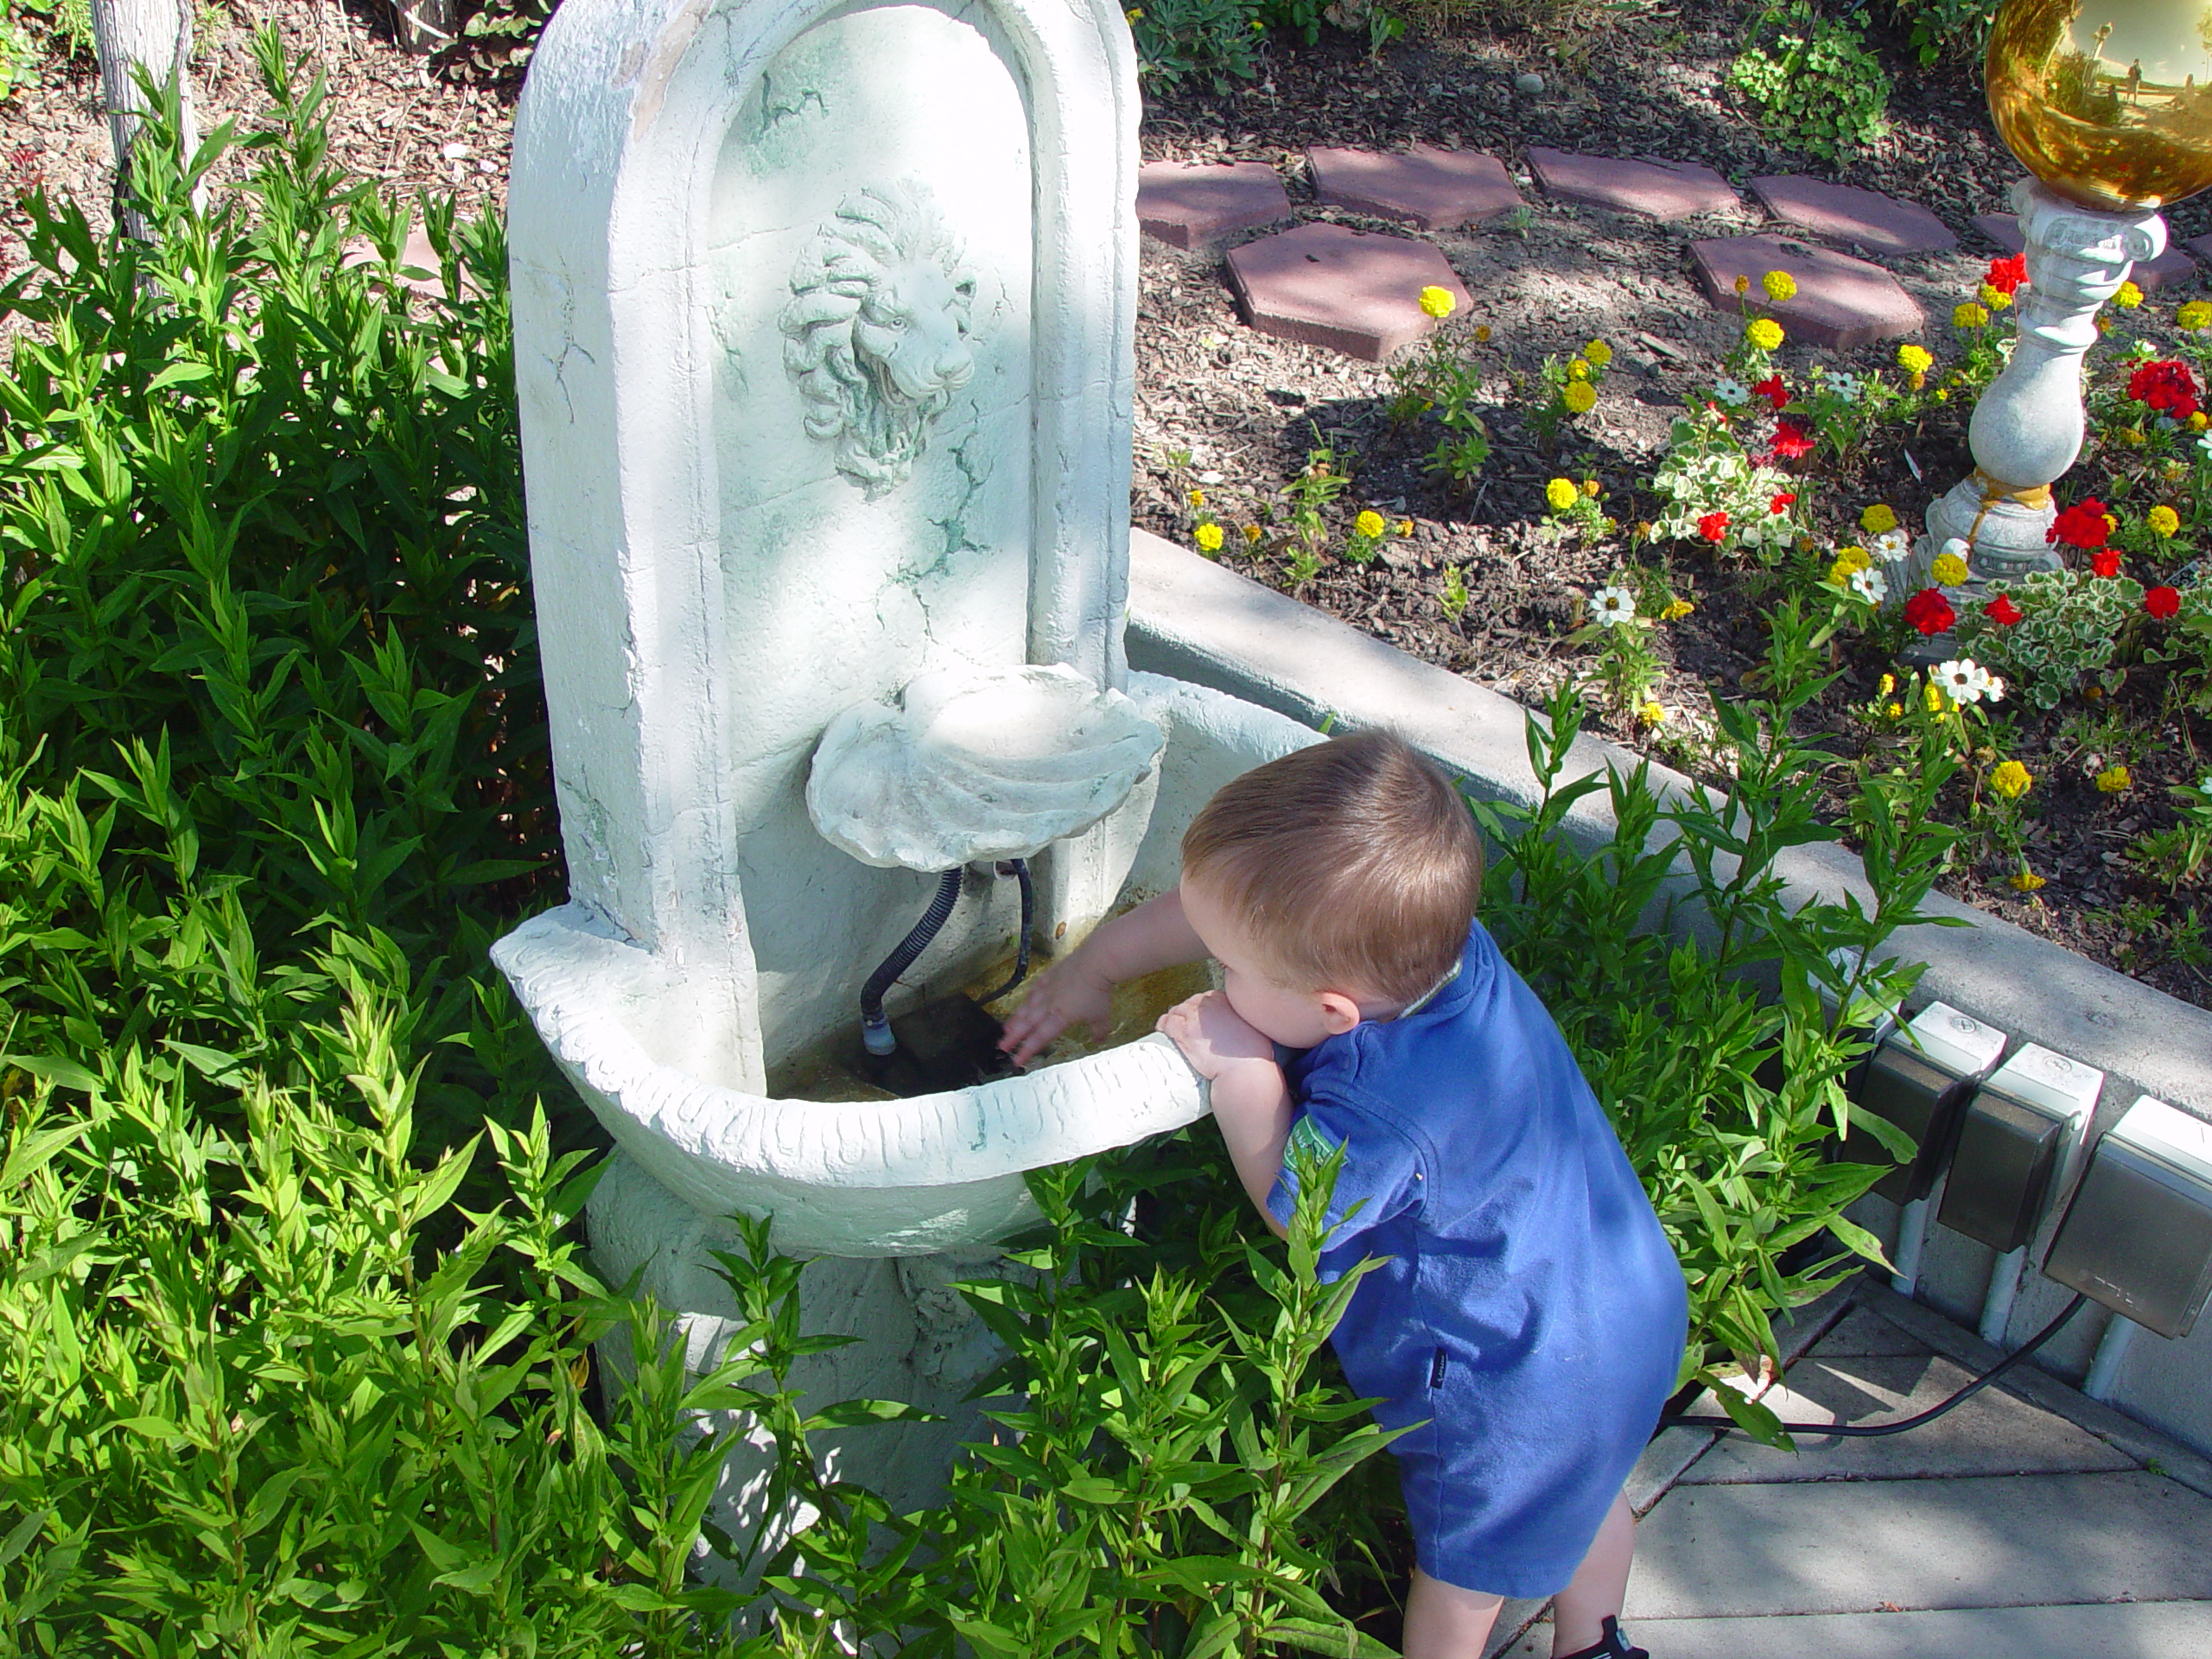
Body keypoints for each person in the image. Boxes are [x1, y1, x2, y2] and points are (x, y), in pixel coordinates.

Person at [1000, 729, 1687, 1659]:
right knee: (1583, 1492)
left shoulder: (1379, 1106)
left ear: (1331, 1015)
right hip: (1625, 1307)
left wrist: (1244, 1078)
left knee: (1462, 1586)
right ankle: (1594, 1645)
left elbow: (1300, 1211)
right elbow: (1217, 914)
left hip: (1508, 1381)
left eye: (1228, 972)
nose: (1213, 972)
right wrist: (1095, 967)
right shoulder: (1431, 953)